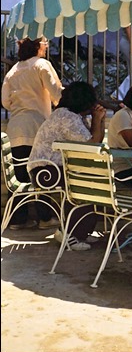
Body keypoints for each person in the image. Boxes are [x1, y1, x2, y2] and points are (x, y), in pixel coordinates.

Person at [27, 81, 106, 250]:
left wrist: (100, 120)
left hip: (50, 169)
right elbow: (92, 145)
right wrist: (98, 119)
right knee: (88, 185)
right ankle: (71, 234)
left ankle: (76, 232)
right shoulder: (67, 117)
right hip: (45, 172)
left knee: (90, 182)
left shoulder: (70, 115)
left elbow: (93, 140)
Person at [1, 36, 63, 230]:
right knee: (40, 172)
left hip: (16, 127)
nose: (46, 47)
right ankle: (45, 217)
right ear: (37, 47)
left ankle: (18, 220)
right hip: (37, 127)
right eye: (45, 44)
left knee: (19, 175)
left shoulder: (13, 72)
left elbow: (5, 102)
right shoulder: (42, 65)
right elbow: (57, 94)